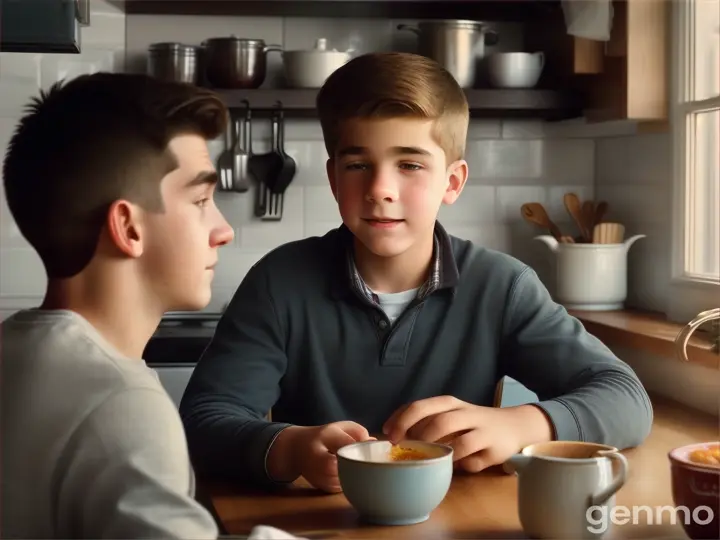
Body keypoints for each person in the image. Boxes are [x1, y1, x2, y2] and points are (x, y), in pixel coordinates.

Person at [180, 52, 654, 494]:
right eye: (358, 164)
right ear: (333, 179)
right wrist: (288, 448)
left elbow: (626, 398)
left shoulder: (502, 286)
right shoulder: (279, 281)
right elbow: (204, 418)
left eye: (409, 164)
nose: (381, 189)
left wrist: (523, 424)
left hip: (458, 519)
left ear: (452, 182)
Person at [1, 72, 234, 538]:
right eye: (202, 199)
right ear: (128, 228)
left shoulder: (14, 349)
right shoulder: (121, 402)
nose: (223, 229)